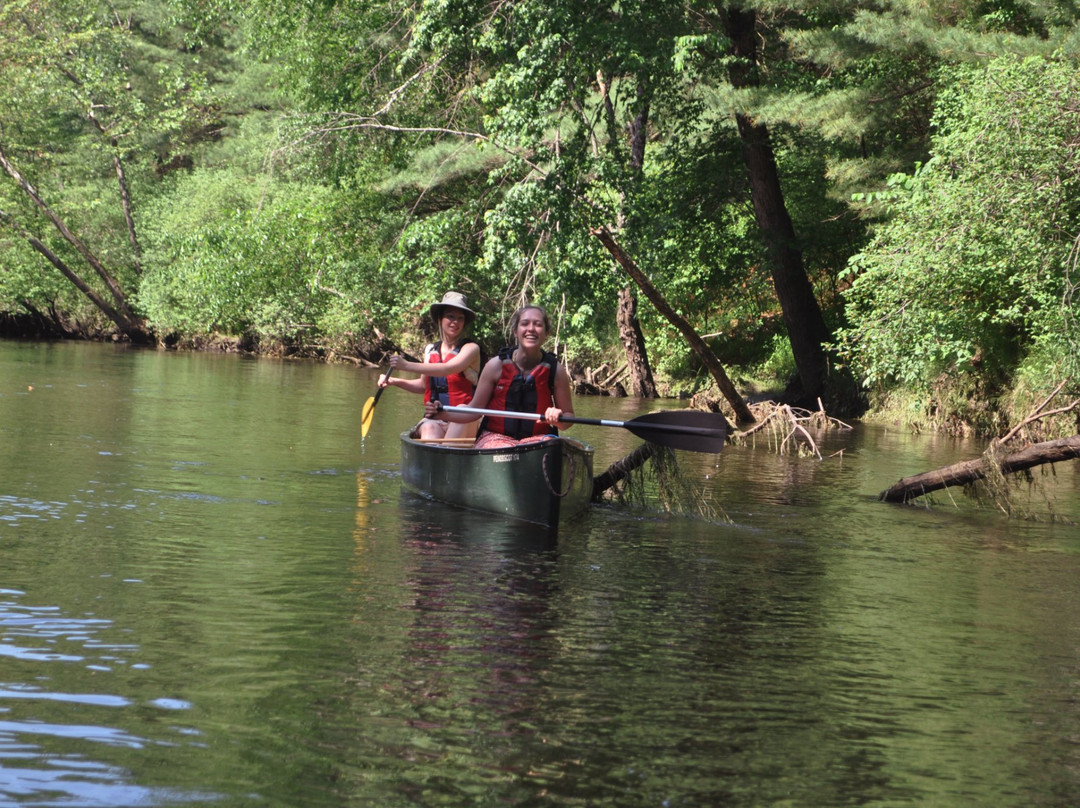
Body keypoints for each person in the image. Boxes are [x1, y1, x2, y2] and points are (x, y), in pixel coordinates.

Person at [425, 304, 574, 449]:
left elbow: (568, 419)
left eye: (538, 324)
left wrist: (558, 417)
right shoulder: (495, 365)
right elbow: (473, 411)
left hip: (538, 439)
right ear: (515, 331)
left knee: (550, 448)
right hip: (495, 437)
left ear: (546, 333)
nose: (531, 329)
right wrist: (442, 413)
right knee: (501, 450)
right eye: (524, 324)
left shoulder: (556, 370)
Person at [379, 291, 483, 440]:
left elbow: (448, 369)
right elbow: (423, 386)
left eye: (460, 318)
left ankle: (446, 456)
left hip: (464, 421)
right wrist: (394, 381)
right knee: (429, 427)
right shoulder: (430, 350)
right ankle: (435, 457)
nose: (455, 322)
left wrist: (406, 365)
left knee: (463, 409)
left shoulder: (471, 349)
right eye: (450, 316)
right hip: (435, 418)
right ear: (440, 319)